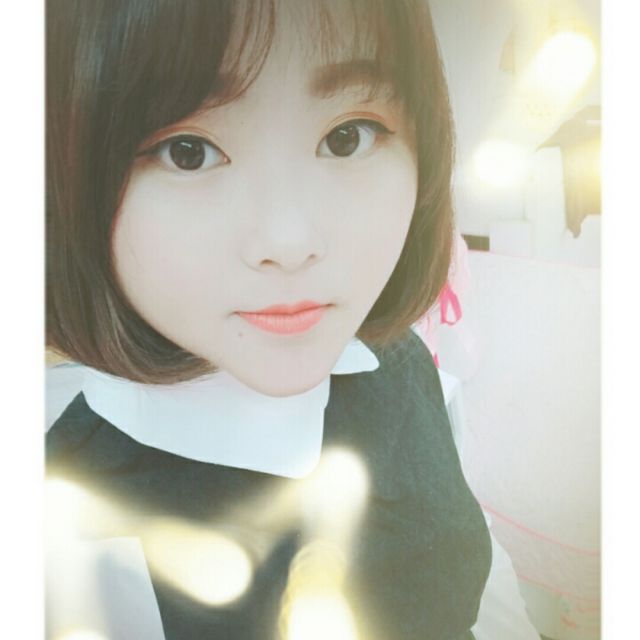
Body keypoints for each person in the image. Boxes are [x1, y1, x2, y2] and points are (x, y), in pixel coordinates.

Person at [45, 1, 492, 638]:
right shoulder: (69, 526)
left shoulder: (397, 359)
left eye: (348, 136)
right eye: (188, 152)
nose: (289, 241)